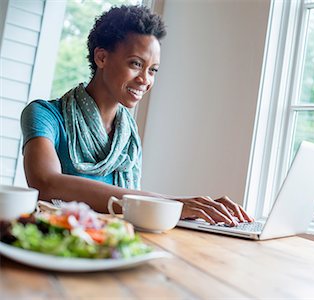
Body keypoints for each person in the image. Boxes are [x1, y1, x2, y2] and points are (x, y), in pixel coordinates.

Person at [20, 5, 252, 227]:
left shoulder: (127, 137)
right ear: (101, 57)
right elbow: (46, 182)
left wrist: (184, 212)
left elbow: (129, 213)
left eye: (153, 70)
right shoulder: (44, 114)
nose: (145, 79)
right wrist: (169, 204)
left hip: (114, 247)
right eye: (136, 64)